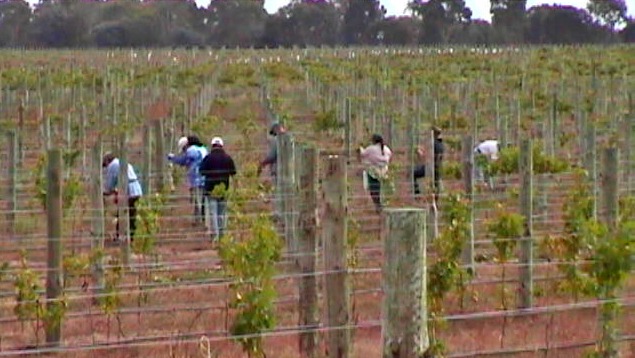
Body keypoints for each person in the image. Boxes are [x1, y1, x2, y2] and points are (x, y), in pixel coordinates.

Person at [199, 136, 237, 242]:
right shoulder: (227, 158)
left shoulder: (208, 158)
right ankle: (222, 235)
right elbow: (233, 173)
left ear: (212, 146)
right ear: (222, 146)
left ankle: (215, 235)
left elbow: (201, 171)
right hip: (224, 189)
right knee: (222, 213)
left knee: (213, 212)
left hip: (210, 189)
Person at [102, 152, 143, 241]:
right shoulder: (122, 162)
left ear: (107, 161)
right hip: (136, 189)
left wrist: (104, 193)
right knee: (132, 214)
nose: (106, 168)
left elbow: (109, 185)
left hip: (128, 191)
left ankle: (121, 236)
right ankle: (131, 236)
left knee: (123, 213)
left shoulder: (112, 166)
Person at [168, 135, 208, 224]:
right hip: (204, 178)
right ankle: (201, 218)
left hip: (196, 178)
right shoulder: (203, 149)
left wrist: (172, 158)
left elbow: (183, 160)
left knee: (197, 200)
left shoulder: (192, 150)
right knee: (202, 199)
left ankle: (199, 219)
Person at [359, 134, 392, 213]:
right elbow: (390, 155)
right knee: (382, 188)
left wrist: (360, 148)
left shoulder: (371, 149)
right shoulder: (386, 149)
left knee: (373, 188)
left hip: (373, 171)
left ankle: (377, 204)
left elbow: (363, 154)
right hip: (384, 170)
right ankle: (382, 203)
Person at [432, 126, 444, 195]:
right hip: (438, 166)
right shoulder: (440, 143)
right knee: (436, 182)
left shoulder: (435, 143)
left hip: (434, 166)